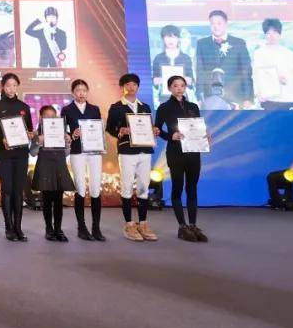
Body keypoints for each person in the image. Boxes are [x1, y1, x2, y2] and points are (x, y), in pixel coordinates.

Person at [106, 73, 159, 242]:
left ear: (138, 87)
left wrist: (154, 130)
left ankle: (143, 223)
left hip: (145, 150)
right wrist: (120, 131)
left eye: (134, 84)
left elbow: (148, 127)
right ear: (122, 87)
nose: (131, 87)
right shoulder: (117, 107)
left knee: (143, 186)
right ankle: (129, 224)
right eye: (127, 84)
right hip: (127, 150)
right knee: (127, 186)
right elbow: (109, 128)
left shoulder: (145, 107)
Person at [156, 75, 209, 243]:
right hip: (175, 152)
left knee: (192, 189)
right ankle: (182, 226)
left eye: (182, 85)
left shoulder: (193, 106)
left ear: (186, 87)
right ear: (169, 88)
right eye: (175, 85)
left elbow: (198, 128)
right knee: (177, 188)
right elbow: (157, 129)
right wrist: (171, 136)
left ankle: (193, 225)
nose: (179, 88)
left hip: (193, 152)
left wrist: (205, 136)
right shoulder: (164, 107)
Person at [0, 72, 34, 242]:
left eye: (14, 85)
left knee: (18, 191)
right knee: (7, 190)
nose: (11, 89)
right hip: (4, 154)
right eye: (8, 85)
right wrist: (2, 139)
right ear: (3, 87)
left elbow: (29, 129)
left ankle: (18, 228)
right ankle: (8, 228)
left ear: (17, 87)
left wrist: (30, 134)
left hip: (21, 154)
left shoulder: (24, 107)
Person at [61, 79, 105, 241]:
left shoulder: (94, 109)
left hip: (94, 152)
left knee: (95, 189)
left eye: (84, 90)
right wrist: (71, 134)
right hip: (77, 151)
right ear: (73, 92)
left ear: (87, 92)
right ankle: (81, 227)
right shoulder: (67, 109)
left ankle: (96, 228)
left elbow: (98, 129)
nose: (81, 93)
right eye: (78, 90)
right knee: (80, 188)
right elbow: (62, 131)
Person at [31, 105, 74, 242]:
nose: (50, 118)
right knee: (47, 200)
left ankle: (58, 229)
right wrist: (38, 141)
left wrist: (68, 142)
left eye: (53, 116)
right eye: (46, 116)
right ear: (41, 118)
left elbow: (66, 153)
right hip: (45, 167)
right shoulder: (37, 133)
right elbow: (32, 152)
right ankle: (49, 229)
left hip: (59, 167)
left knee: (58, 200)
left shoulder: (62, 131)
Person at [194, 9, 253, 108]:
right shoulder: (202, 43)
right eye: (212, 23)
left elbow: (246, 72)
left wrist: (248, 98)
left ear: (226, 24)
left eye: (219, 23)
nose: (215, 26)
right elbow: (200, 72)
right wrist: (199, 96)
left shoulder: (238, 43)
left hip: (235, 97)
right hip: (210, 97)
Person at [251, 18, 293, 110]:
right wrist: (258, 93)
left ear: (280, 34)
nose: (271, 36)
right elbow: (255, 75)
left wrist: (285, 79)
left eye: (274, 32)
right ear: (265, 35)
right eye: (268, 33)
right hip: (268, 99)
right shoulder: (258, 53)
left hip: (287, 98)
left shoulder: (289, 53)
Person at [151, 24, 194, 103]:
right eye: (167, 37)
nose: (170, 40)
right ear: (163, 39)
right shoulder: (158, 58)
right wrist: (159, 80)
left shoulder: (186, 58)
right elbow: (154, 81)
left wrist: (186, 80)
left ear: (178, 39)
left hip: (183, 98)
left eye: (173, 37)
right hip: (164, 99)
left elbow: (191, 80)